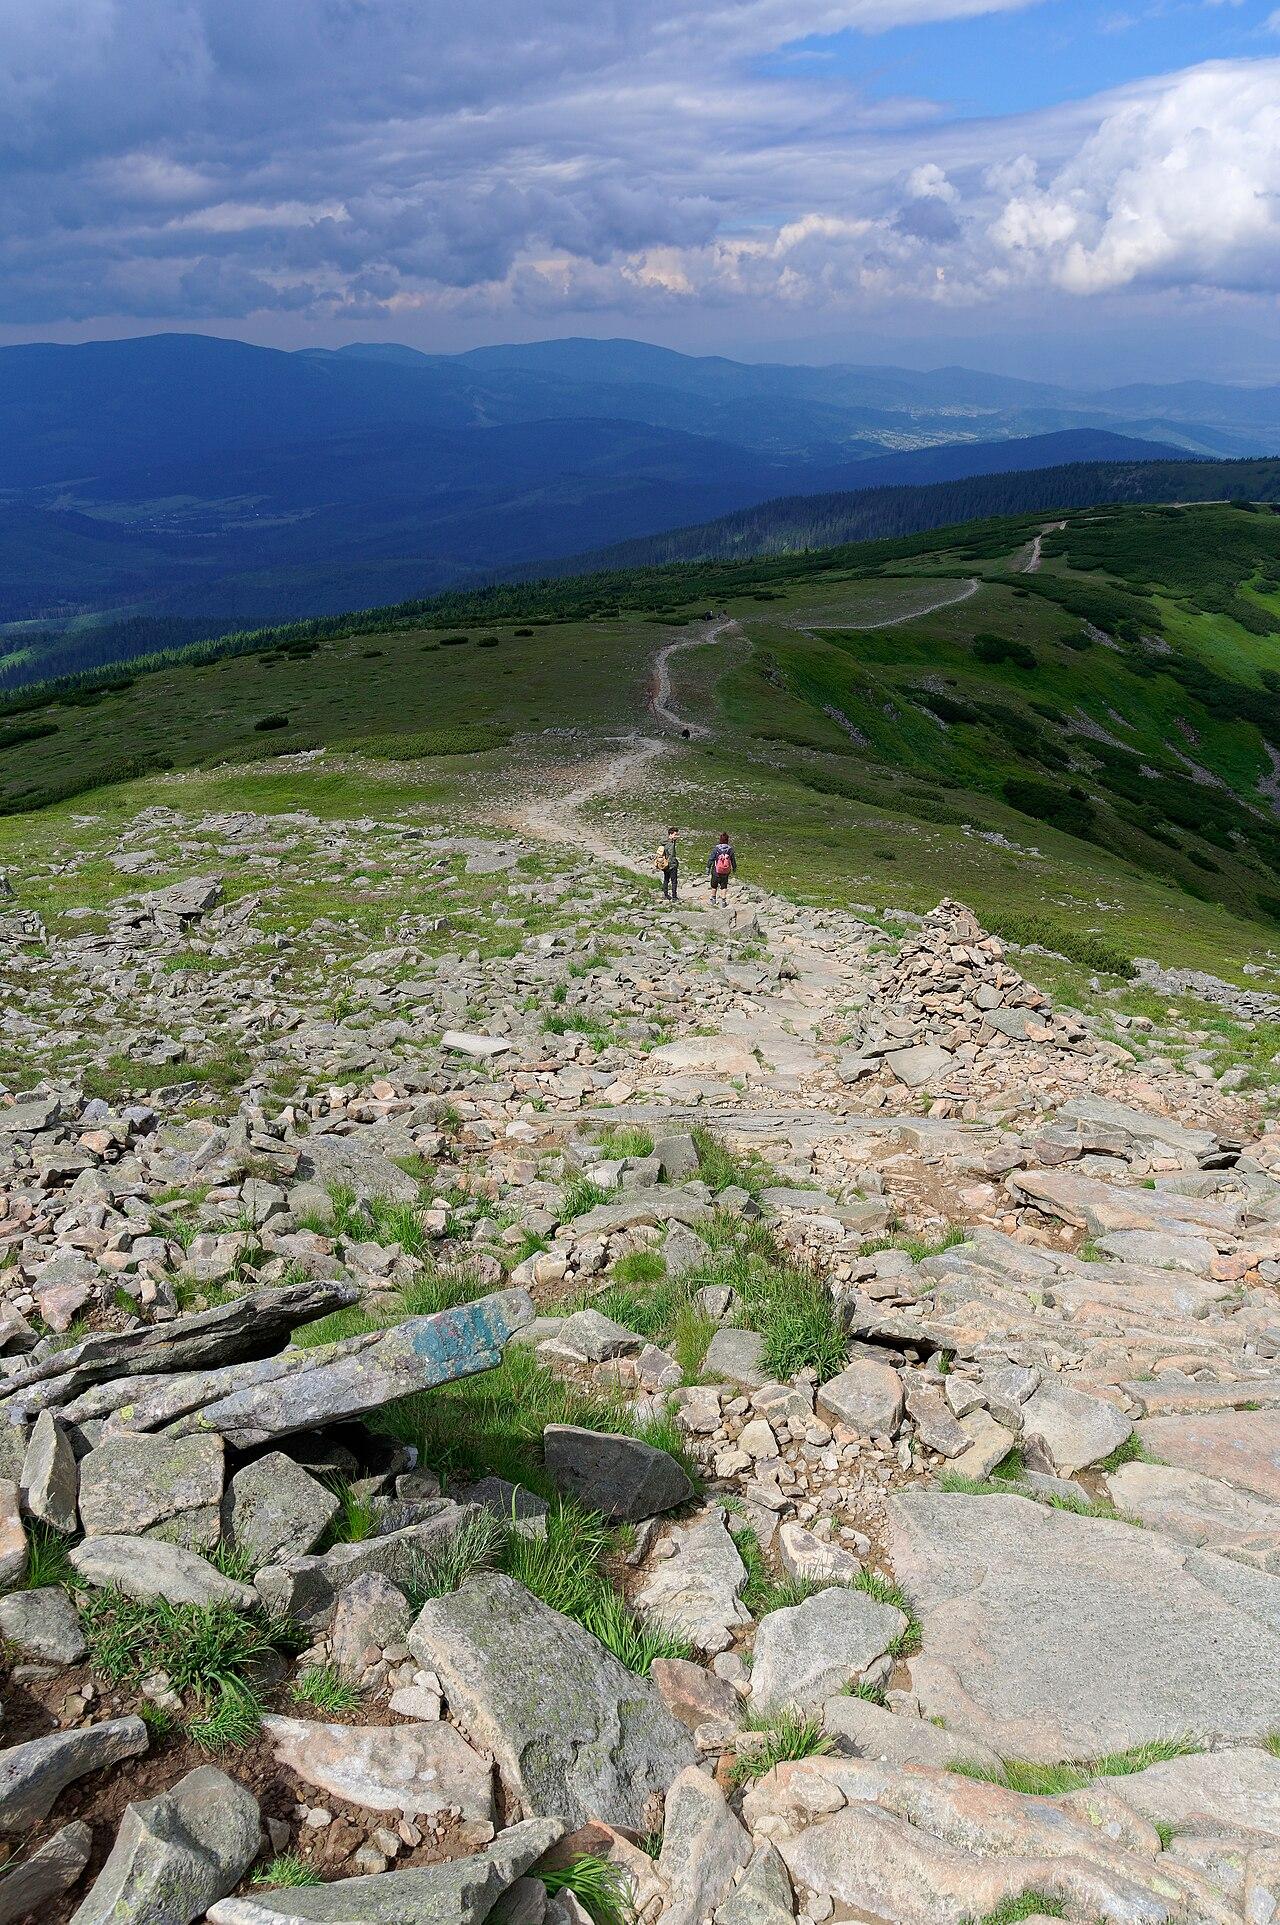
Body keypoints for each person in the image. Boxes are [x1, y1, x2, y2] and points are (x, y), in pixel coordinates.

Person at [707, 830, 736, 904]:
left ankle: (713, 899)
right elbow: (733, 860)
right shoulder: (730, 850)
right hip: (725, 872)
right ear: (727, 840)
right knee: (724, 886)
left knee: (714, 886)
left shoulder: (716, 849)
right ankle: (723, 901)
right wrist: (734, 868)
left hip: (716, 871)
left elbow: (711, 859)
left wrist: (708, 867)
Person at [658, 826, 680, 901]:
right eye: (675, 834)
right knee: (674, 881)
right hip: (671, 865)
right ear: (670, 834)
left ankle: (666, 894)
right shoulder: (670, 844)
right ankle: (674, 896)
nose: (676, 836)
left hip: (664, 864)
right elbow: (671, 855)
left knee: (666, 880)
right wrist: (674, 863)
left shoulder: (664, 842)